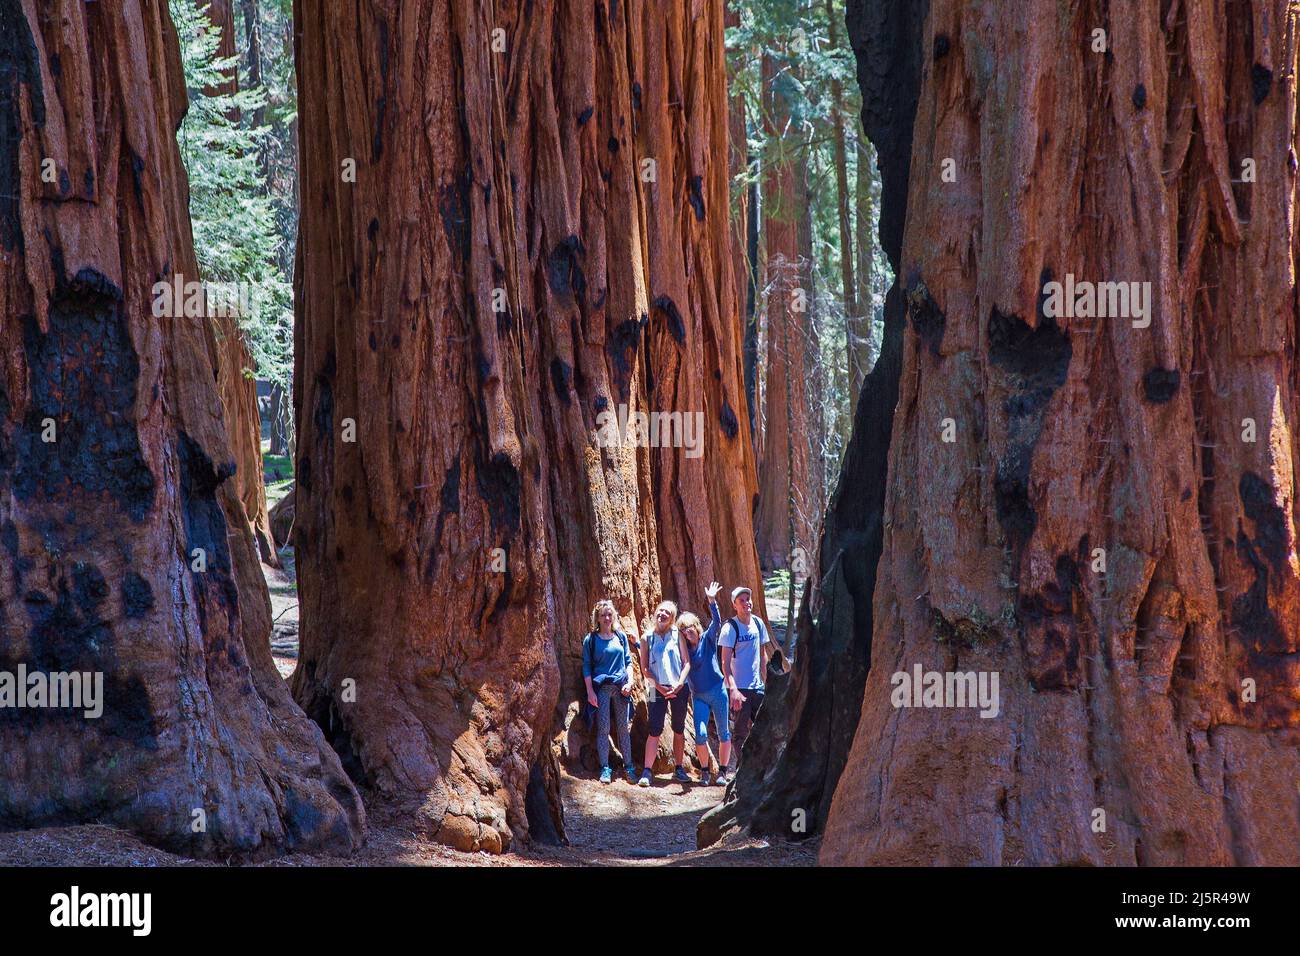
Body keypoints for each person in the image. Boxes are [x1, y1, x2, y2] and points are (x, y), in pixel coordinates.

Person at [678, 581, 730, 785]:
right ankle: (706, 771)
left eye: (689, 627)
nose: (687, 632)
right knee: (700, 734)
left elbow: (717, 622)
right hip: (698, 695)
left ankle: (724, 772)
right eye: (682, 629)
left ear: (696, 627)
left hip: (718, 691)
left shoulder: (707, 639)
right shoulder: (684, 652)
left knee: (723, 731)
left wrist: (712, 601)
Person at [582, 600, 637, 784]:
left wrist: (630, 682)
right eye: (603, 615)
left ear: (613, 616)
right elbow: (587, 667)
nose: (606, 618)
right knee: (603, 728)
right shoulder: (591, 640)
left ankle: (628, 766)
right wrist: (590, 692)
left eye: (609, 614)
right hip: (602, 689)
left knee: (623, 728)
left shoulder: (619, 637)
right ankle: (605, 767)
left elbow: (628, 662)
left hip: (621, 688)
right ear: (597, 617)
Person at [638, 599, 692, 787]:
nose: (662, 614)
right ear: (655, 613)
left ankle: (678, 768)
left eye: (667, 613)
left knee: (679, 728)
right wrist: (660, 688)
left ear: (672, 618)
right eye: (660, 611)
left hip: (679, 688)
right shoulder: (647, 637)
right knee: (654, 729)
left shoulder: (678, 635)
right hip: (654, 688)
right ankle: (647, 771)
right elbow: (644, 669)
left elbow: (686, 663)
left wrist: (678, 684)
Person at [720, 585, 771, 776]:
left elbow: (763, 655)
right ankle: (744, 770)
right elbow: (725, 663)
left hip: (757, 687)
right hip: (738, 688)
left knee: (764, 727)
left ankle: (763, 766)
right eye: (741, 600)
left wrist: (767, 682)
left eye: (748, 599)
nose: (746, 603)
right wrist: (733, 689)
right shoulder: (730, 628)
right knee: (740, 732)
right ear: (734, 605)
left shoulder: (758, 624)